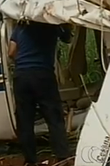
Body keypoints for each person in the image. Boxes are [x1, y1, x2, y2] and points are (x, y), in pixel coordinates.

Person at [8, 21, 71, 166]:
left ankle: (30, 161)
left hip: (22, 76)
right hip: (43, 74)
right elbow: (67, 38)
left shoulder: (21, 26)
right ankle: (62, 157)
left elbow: (11, 52)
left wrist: (24, 60)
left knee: (25, 120)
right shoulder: (52, 24)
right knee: (54, 117)